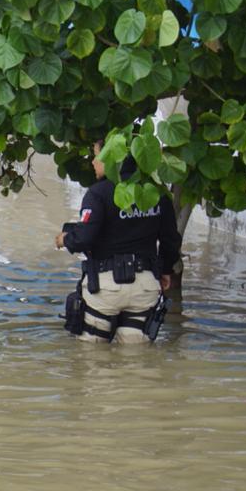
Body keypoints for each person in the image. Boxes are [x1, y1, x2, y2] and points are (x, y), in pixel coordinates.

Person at [55, 141, 183, 343]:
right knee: (136, 359)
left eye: (97, 156)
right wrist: (166, 270)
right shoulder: (156, 194)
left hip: (105, 288)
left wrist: (65, 240)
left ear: (113, 159)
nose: (93, 162)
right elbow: (170, 240)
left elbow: (85, 237)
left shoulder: (98, 193)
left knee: (92, 357)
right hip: (146, 286)